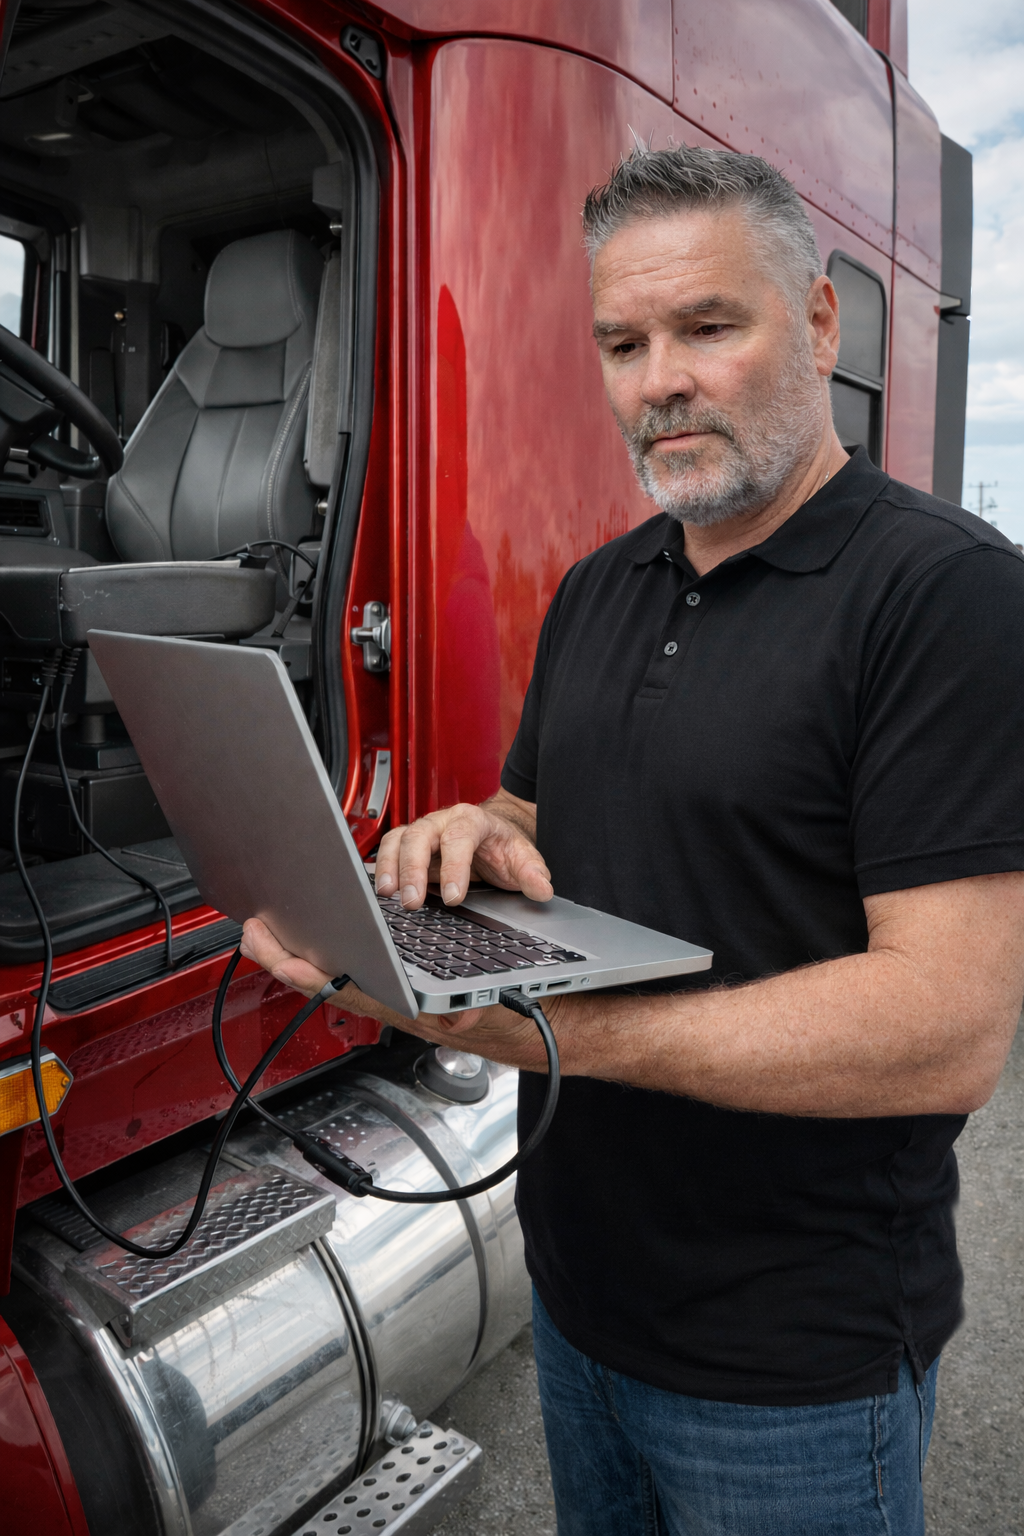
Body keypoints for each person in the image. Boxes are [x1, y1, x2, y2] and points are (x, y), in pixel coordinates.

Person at [241, 145, 1024, 1535]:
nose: (658, 377)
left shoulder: (947, 598)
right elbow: (538, 814)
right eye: (623, 341)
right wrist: (467, 836)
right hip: (581, 1300)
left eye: (708, 327)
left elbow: (944, 1024)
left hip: (791, 1365)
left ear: (822, 321)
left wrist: (550, 1034)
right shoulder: (608, 585)